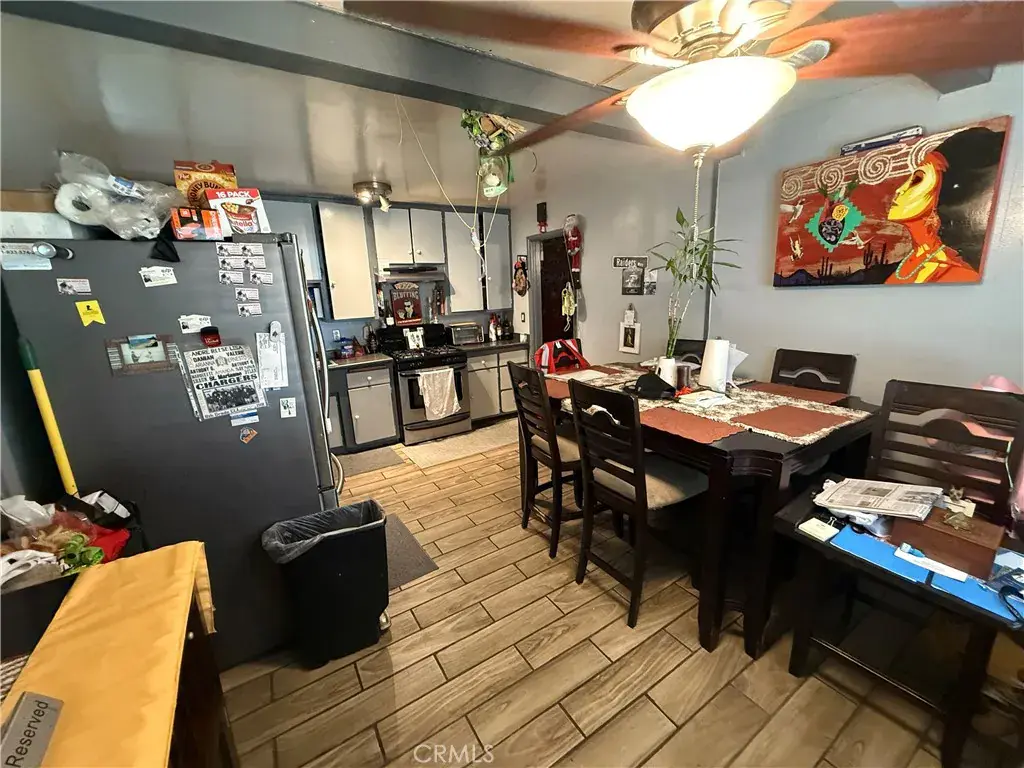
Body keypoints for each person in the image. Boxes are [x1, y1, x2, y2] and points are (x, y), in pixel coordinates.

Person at [886, 126, 1004, 284]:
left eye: (917, 180)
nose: (900, 189)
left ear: (942, 192)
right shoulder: (911, 261)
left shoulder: (960, 275)